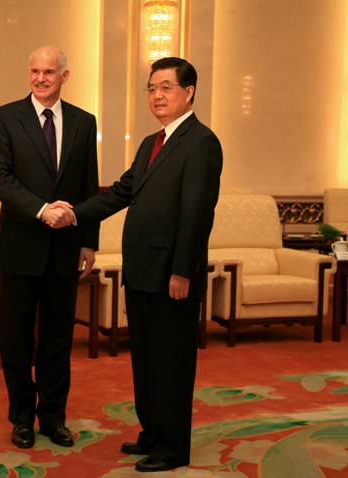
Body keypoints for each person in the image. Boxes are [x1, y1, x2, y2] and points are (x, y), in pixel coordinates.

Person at [46, 57, 222, 472]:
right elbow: (119, 193)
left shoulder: (201, 142)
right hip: (141, 269)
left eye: (166, 88)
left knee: (171, 363)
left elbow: (197, 214)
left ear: (189, 92)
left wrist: (183, 270)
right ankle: (152, 434)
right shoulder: (150, 144)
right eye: (151, 88)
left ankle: (172, 448)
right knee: (145, 361)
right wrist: (73, 214)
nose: (157, 96)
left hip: (172, 275)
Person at [0, 45, 100, 449]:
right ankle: (21, 419)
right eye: (34, 71)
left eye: (49, 72)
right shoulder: (5, 117)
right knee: (15, 340)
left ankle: (53, 418)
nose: (40, 78)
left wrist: (88, 242)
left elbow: (88, 185)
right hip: (19, 248)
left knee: (58, 340)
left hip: (65, 250)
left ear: (65, 76)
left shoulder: (84, 122)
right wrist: (41, 209)